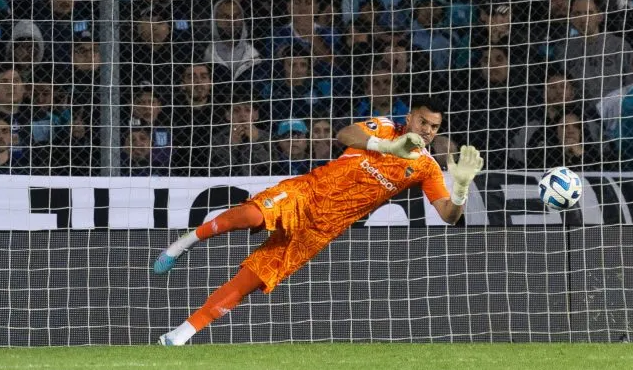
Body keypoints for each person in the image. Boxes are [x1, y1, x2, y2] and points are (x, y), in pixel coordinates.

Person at [152, 97, 484, 346]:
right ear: (410, 117)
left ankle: (180, 334)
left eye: (434, 127)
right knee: (250, 214)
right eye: (423, 122)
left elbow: (448, 216)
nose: (427, 131)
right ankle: (184, 242)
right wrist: (388, 146)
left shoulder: (425, 168)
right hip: (307, 192)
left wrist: (462, 188)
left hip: (322, 228)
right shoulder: (384, 127)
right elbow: (345, 134)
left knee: (253, 278)